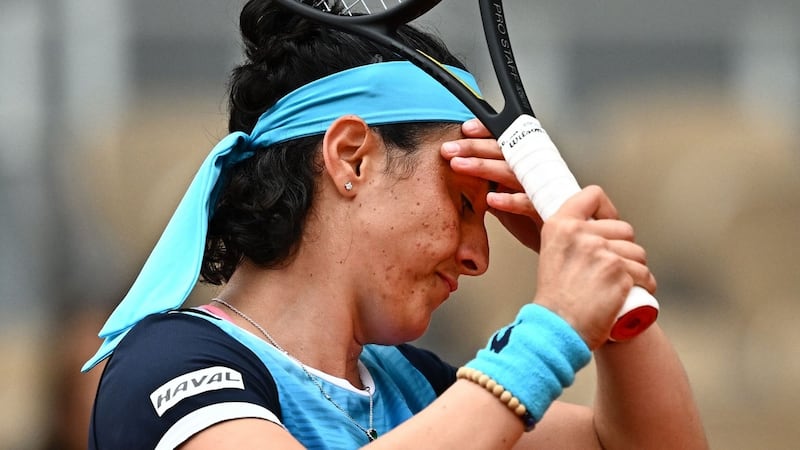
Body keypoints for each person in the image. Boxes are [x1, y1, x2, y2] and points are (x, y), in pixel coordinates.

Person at [83, 0, 708, 448]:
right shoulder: (166, 365)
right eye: (464, 203)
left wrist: (612, 301)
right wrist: (549, 332)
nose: (479, 257)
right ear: (352, 158)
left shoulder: (420, 389)